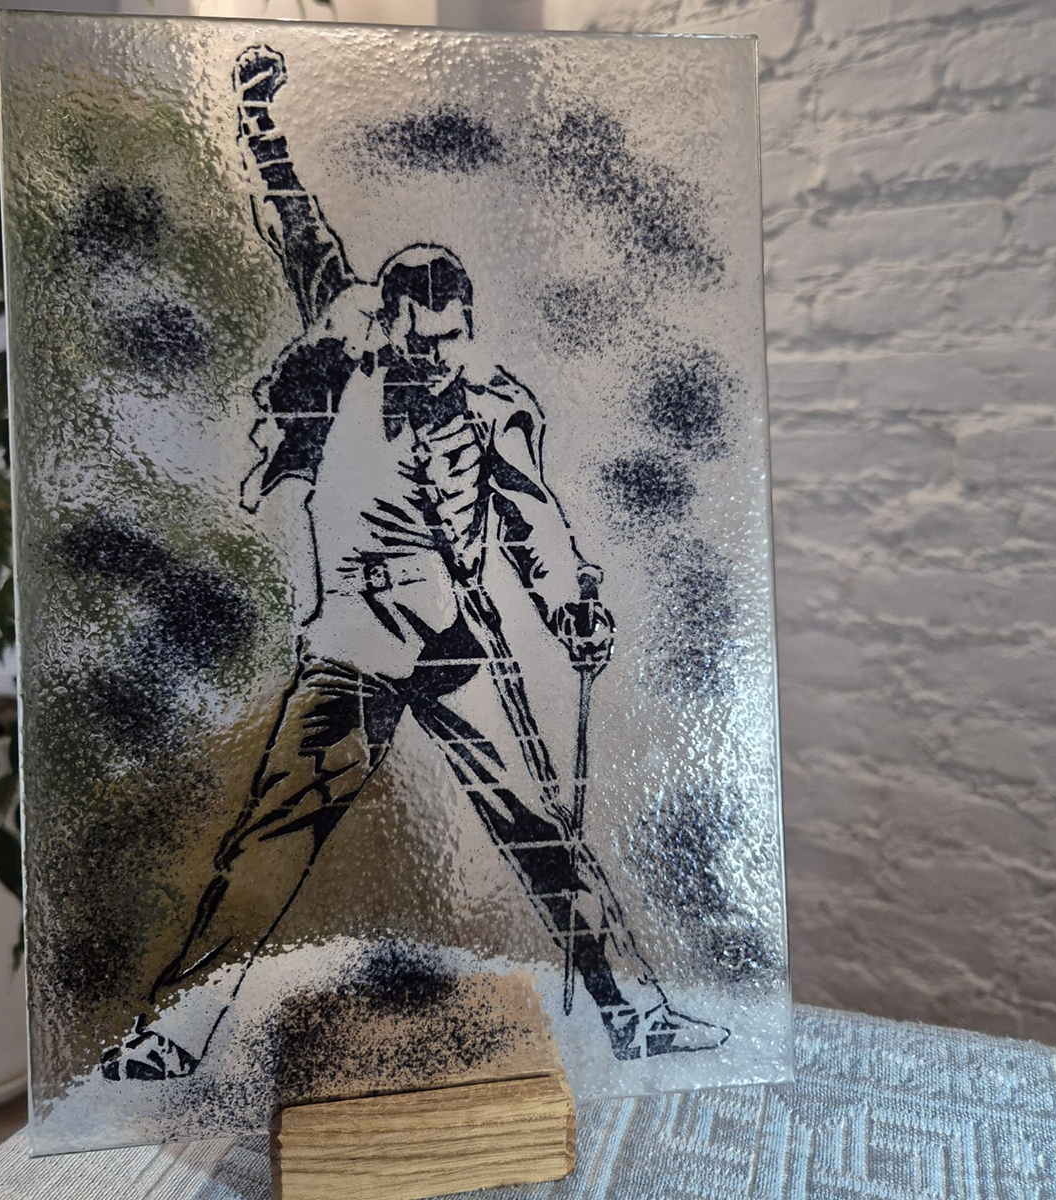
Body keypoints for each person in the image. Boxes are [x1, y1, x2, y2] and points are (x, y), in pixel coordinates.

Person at [102, 46, 728, 1082]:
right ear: (388, 321)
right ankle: (172, 1031)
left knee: (540, 825)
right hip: (354, 639)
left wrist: (572, 605)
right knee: (277, 830)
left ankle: (636, 1015)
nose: (439, 354)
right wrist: (259, 128)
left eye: (454, 335)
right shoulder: (345, 342)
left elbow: (534, 520)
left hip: (460, 644)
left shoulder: (492, 402)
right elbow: (297, 225)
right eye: (422, 337)